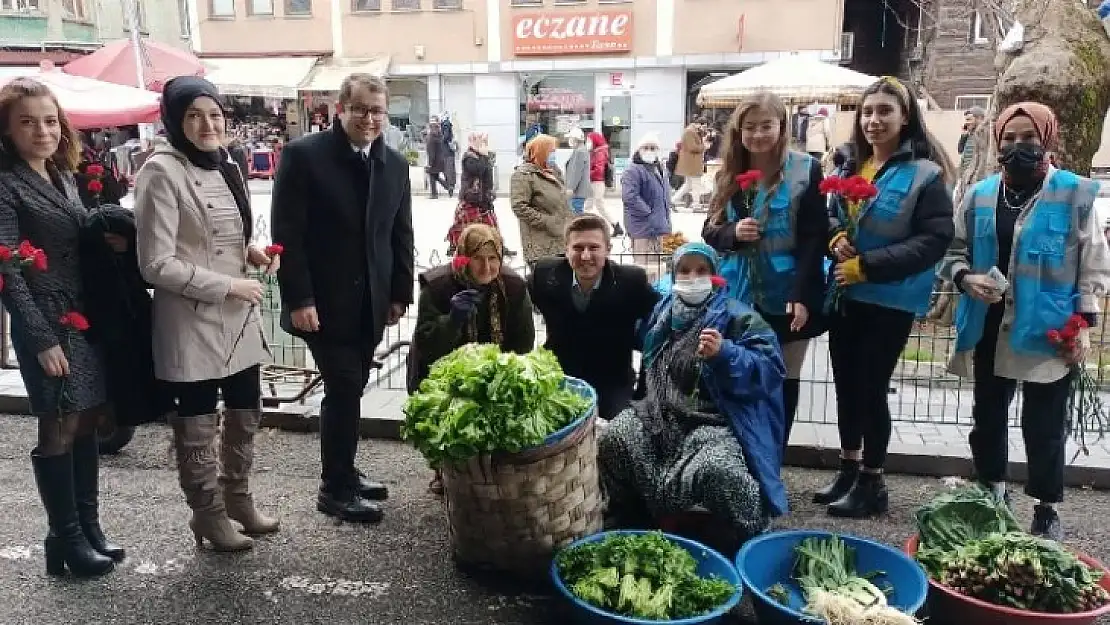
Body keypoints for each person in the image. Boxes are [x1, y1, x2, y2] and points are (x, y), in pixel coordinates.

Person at [940, 102, 1110, 540]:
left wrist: (1085, 326)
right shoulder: (979, 195)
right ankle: (992, 492)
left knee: (1045, 425)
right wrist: (965, 277)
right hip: (988, 326)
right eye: (1009, 139)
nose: (1018, 147)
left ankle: (1046, 506)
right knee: (988, 417)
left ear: (1047, 139)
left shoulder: (1075, 194)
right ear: (998, 141)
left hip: (1050, 331)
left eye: (1028, 138)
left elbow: (1093, 265)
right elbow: (953, 250)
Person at [134, 77, 279, 552]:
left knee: (244, 413)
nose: (206, 124)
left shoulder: (228, 164)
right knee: (197, 425)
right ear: (175, 121)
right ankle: (207, 513)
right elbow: (156, 263)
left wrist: (251, 254)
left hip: (237, 317)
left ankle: (238, 498)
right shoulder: (160, 172)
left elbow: (213, 239)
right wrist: (229, 284)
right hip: (191, 319)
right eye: (193, 115)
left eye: (214, 114)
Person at [272, 73, 415, 524]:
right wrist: (299, 298)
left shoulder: (394, 163)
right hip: (322, 303)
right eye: (360, 110)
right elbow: (287, 234)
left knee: (350, 389)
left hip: (371, 301)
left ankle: (346, 471)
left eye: (377, 111)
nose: (370, 119)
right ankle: (334, 488)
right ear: (341, 109)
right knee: (346, 385)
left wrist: (399, 293)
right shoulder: (304, 156)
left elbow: (401, 234)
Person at [0, 78, 124, 577]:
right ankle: (66, 539)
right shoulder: (6, 184)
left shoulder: (60, 175)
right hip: (46, 323)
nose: (42, 130)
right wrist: (41, 338)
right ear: (7, 130)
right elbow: (7, 270)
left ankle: (86, 529)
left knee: (87, 420)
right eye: (27, 122)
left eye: (49, 120)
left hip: (82, 317)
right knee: (59, 425)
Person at [818, 76, 956, 518]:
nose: (874, 120)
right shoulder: (848, 166)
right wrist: (835, 237)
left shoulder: (926, 174)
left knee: (871, 389)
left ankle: (873, 483)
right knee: (846, 385)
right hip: (845, 293)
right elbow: (829, 216)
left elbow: (933, 240)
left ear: (906, 116)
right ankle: (849, 467)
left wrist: (870, 264)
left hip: (890, 300)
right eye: (868, 112)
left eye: (884, 112)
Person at [597, 242, 788, 539]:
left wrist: (725, 354)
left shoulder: (738, 317)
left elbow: (771, 371)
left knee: (719, 469)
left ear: (715, 275)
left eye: (701, 270)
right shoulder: (661, 314)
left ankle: (749, 533)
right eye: (684, 271)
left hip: (714, 421)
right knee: (614, 438)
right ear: (673, 276)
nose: (692, 277)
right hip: (659, 415)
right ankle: (632, 513)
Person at [701, 92, 828, 449]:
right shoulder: (729, 172)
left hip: (788, 294)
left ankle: (775, 453)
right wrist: (732, 233)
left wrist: (802, 295)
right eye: (750, 127)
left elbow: (815, 236)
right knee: (739, 372)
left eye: (766, 126)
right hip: (739, 295)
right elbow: (708, 231)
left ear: (782, 127)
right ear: (739, 131)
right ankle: (742, 451)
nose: (758, 134)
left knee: (783, 378)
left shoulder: (806, 169)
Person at [408, 224, 536, 494]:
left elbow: (523, 342)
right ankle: (446, 470)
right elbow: (426, 342)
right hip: (441, 368)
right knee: (446, 416)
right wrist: (452, 321)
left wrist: (501, 373)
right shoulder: (438, 286)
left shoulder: (513, 287)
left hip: (494, 369)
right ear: (464, 257)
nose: (486, 267)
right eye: (478, 258)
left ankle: (492, 470)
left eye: (493, 259)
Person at [529, 214, 659, 420]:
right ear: (566, 249)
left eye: (594, 248)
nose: (586, 256)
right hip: (559, 377)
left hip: (611, 381)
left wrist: (643, 388)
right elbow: (517, 298)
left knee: (618, 432)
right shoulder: (546, 275)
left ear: (608, 249)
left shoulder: (630, 282)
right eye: (578, 248)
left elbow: (659, 322)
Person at [510, 134, 575, 267]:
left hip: (561, 240)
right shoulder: (524, 175)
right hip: (540, 246)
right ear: (540, 152)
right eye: (551, 152)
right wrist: (547, 222)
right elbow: (519, 207)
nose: (554, 155)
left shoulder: (553, 172)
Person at [620, 133, 672, 279]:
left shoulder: (660, 168)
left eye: (653, 147)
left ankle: (655, 292)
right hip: (641, 225)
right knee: (642, 266)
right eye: (646, 147)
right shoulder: (633, 170)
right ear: (639, 150)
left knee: (656, 265)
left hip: (658, 224)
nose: (650, 150)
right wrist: (648, 212)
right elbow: (629, 196)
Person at [446, 132, 498, 255]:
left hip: (483, 197)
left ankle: (496, 244)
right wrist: (485, 156)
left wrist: (490, 192)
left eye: (484, 141)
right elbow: (478, 170)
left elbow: (488, 174)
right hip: (471, 197)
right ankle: (457, 244)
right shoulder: (469, 157)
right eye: (480, 140)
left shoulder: (481, 155)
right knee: (467, 224)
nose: (483, 143)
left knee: (490, 222)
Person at [586, 131, 623, 235]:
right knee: (593, 205)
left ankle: (614, 225)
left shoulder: (600, 153)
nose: (588, 142)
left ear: (595, 141)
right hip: (596, 182)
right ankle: (615, 225)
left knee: (596, 205)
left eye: (589, 140)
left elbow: (598, 170)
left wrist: (587, 174)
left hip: (597, 182)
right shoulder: (597, 151)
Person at [672, 122, 707, 211]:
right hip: (691, 163)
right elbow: (693, 147)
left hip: (691, 163)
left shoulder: (692, 132)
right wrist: (704, 146)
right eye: (703, 125)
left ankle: (673, 200)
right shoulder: (689, 132)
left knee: (688, 185)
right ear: (698, 123)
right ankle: (696, 204)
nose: (703, 128)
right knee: (696, 184)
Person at [564, 128, 590, 215]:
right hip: (578, 191)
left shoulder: (580, 152)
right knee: (577, 213)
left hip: (577, 191)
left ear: (575, 139)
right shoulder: (580, 150)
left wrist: (571, 188)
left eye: (570, 138)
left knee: (576, 214)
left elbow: (576, 172)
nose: (569, 140)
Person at [425, 116, 451, 199]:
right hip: (441, 159)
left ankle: (434, 194)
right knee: (435, 176)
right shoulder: (440, 135)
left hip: (434, 160)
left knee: (432, 175)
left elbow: (431, 152)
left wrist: (430, 164)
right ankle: (447, 186)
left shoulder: (430, 138)